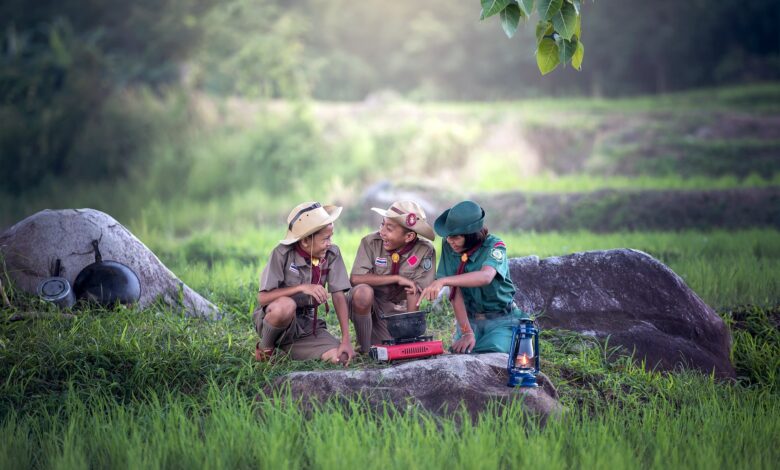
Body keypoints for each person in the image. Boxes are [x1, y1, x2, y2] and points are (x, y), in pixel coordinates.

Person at [418, 200, 528, 354]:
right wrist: (466, 332)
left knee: (492, 353)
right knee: (461, 355)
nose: (450, 241)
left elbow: (485, 277)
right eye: (448, 236)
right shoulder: (449, 245)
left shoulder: (495, 246)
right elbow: (455, 294)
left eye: (455, 237)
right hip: (470, 322)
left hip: (501, 320)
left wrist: (443, 280)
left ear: (470, 235)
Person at [253, 201, 355, 364]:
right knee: (286, 306)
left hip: (306, 326)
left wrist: (346, 340)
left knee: (341, 358)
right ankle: (266, 349)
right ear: (305, 241)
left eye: (331, 237)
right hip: (276, 319)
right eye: (325, 239)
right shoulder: (282, 254)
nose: (330, 243)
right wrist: (301, 288)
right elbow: (263, 298)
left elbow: (338, 295)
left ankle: (289, 350)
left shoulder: (331, 254)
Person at [349, 201, 436, 353]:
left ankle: (403, 339)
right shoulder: (370, 242)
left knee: (396, 347)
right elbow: (356, 278)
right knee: (363, 292)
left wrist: (410, 334)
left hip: (397, 312)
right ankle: (363, 347)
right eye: (382, 224)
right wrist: (395, 279)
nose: (382, 232)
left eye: (389, 228)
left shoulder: (424, 250)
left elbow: (416, 290)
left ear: (409, 236)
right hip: (372, 305)